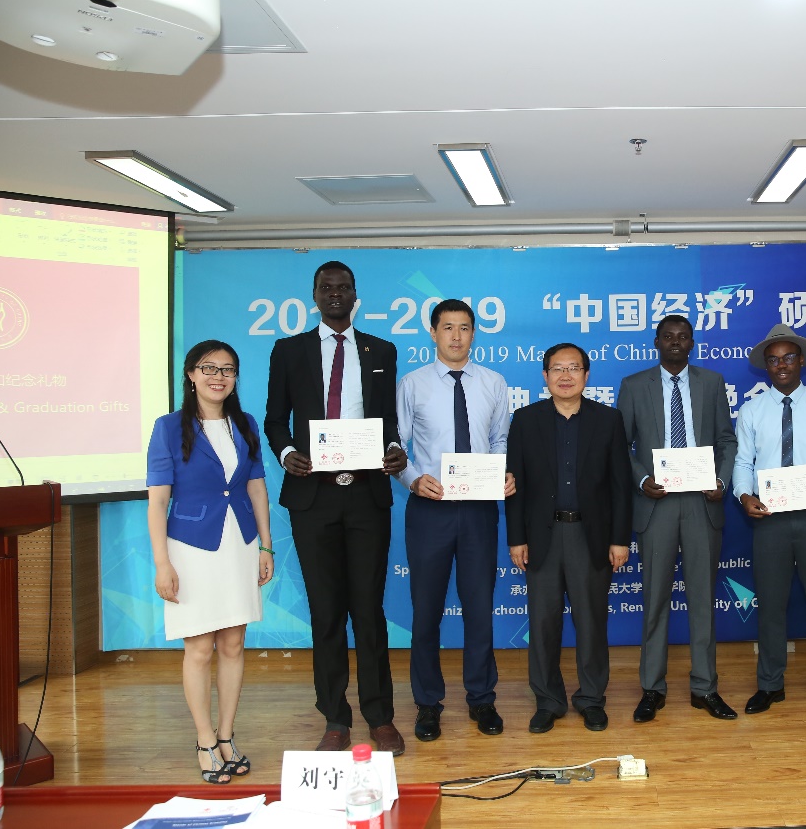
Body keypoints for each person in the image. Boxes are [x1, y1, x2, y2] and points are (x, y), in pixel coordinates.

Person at [264, 260, 408, 753]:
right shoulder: (289, 351)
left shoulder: (381, 351)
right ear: (314, 295)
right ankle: (334, 718)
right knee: (326, 612)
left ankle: (380, 716)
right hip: (313, 497)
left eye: (343, 287)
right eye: (326, 288)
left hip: (366, 496)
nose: (335, 294)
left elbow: (388, 421)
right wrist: (287, 453)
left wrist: (395, 449)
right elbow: (275, 419)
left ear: (355, 295)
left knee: (368, 611)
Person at [147, 340, 274, 784]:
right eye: (208, 368)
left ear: (236, 378)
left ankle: (226, 736)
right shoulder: (168, 427)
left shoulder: (246, 423)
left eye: (227, 369)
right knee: (200, 648)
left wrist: (266, 546)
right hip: (190, 547)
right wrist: (163, 564)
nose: (218, 377)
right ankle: (204, 741)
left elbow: (256, 487)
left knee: (234, 644)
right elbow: (157, 501)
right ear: (190, 374)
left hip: (239, 542)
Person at [395, 299, 514, 742]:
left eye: (464, 327)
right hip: (431, 508)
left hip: (479, 508)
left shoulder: (493, 382)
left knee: (479, 607)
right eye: (448, 327)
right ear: (433, 332)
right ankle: (428, 703)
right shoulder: (413, 384)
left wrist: (500, 472)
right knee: (426, 610)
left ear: (473, 333)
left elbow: (499, 438)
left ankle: (482, 698)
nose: (457, 336)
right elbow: (396, 444)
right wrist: (412, 479)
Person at [505, 343, 633, 734]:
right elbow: (515, 485)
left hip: (589, 536)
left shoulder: (608, 420)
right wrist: (516, 538)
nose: (565, 376)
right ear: (545, 376)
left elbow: (621, 486)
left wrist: (620, 539)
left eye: (573, 368)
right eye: (557, 369)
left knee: (591, 622)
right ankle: (548, 700)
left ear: (586, 375)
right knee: (543, 623)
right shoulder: (525, 420)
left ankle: (591, 699)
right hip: (541, 536)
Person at [617, 314, 738, 723]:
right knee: (655, 599)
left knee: (703, 599)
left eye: (683, 337)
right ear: (656, 342)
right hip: (658, 504)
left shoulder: (712, 382)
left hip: (703, 502)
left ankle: (705, 688)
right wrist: (642, 479)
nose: (675, 342)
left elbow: (726, 440)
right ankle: (652, 688)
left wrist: (721, 479)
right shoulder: (635, 385)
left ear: (691, 343)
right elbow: (622, 446)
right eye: (667, 336)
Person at [733, 323, 806, 720]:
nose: (781, 365)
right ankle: (770, 684)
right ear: (765, 366)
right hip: (769, 518)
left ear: (801, 361)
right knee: (770, 605)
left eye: (788, 358)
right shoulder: (752, 410)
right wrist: (744, 495)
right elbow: (743, 462)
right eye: (773, 360)